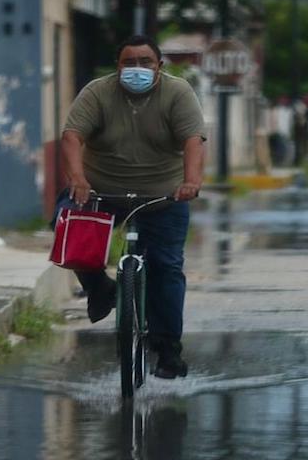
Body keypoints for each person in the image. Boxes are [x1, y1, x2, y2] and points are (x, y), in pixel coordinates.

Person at [57, 34, 206, 379]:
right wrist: (78, 179)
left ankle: (168, 348)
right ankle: (99, 288)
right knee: (68, 228)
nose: (136, 69)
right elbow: (72, 137)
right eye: (129, 62)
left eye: (145, 63)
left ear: (159, 67)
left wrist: (191, 182)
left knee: (166, 267)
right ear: (118, 66)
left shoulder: (178, 93)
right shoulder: (97, 92)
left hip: (164, 196)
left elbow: (193, 141)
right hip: (100, 192)